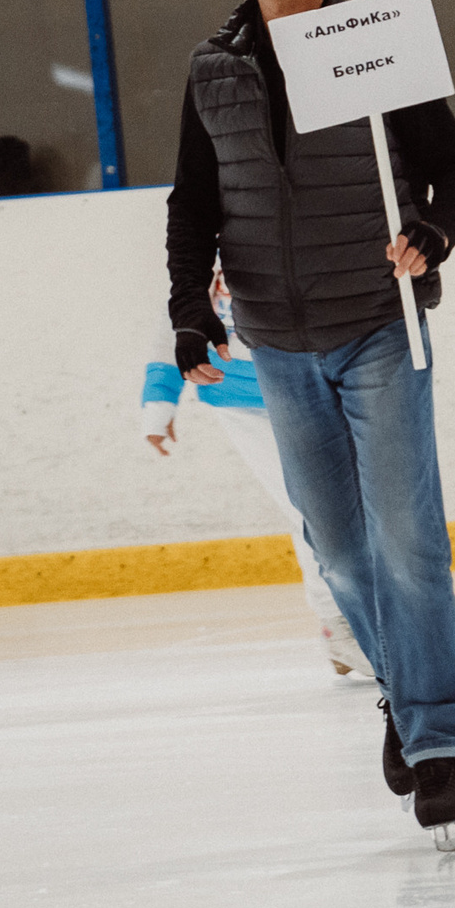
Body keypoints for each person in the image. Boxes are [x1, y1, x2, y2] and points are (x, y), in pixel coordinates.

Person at [165, 0, 455, 851]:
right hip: (278, 343)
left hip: (379, 329)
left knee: (407, 539)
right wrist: (189, 310)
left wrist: (429, 238)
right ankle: (401, 693)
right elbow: (194, 205)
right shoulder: (211, 70)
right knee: (341, 549)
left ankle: (437, 744)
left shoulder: (374, 43)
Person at [140, 266, 374, 681]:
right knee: (312, 508)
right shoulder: (203, 235)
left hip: (316, 384)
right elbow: (177, 313)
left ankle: (367, 622)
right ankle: (339, 625)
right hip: (242, 399)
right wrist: (159, 398)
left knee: (357, 504)